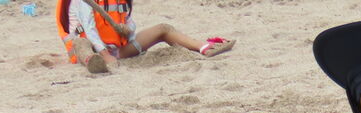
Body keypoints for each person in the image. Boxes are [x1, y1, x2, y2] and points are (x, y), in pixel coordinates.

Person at [53, 0, 234, 74]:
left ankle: (203, 47)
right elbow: (89, 29)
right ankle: (94, 63)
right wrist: (104, 54)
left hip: (117, 51)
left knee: (163, 29)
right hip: (89, 49)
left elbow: (129, 22)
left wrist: (128, 30)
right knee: (82, 43)